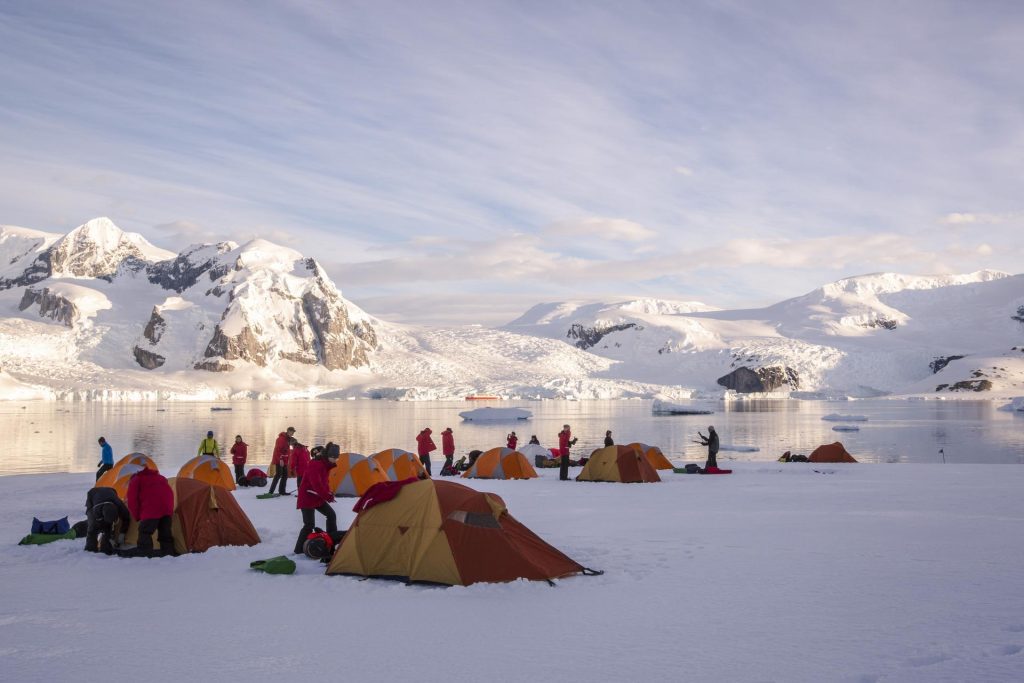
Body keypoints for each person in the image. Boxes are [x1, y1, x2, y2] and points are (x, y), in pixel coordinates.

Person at [293, 444, 339, 555]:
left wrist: (329, 492)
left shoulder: (326, 464)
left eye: (336, 457)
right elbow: (316, 485)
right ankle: (298, 550)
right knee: (309, 525)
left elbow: (324, 482)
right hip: (307, 497)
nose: (334, 460)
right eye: (333, 457)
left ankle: (331, 540)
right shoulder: (316, 465)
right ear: (327, 455)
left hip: (317, 497)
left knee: (331, 515)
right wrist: (327, 496)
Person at [126, 467, 176, 557]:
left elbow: (132, 501)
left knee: (145, 532)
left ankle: (145, 555)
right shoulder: (160, 477)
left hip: (151, 510)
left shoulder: (136, 480)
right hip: (167, 508)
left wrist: (137, 516)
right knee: (165, 534)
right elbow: (168, 493)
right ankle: (168, 555)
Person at [84, 485, 130, 554]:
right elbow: (94, 523)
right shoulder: (95, 510)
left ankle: (105, 548)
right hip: (92, 495)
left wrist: (122, 533)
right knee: (93, 528)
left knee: (108, 528)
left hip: (111, 491)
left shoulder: (120, 506)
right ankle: (90, 549)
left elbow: (126, 518)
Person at [269, 427, 295, 496]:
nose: (292, 433)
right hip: (279, 459)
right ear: (288, 431)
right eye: (291, 431)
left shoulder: (288, 438)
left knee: (285, 475)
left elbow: (286, 449)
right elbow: (278, 450)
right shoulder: (281, 439)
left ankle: (282, 491)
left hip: (284, 460)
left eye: (293, 432)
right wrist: (280, 459)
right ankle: (270, 492)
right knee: (278, 474)